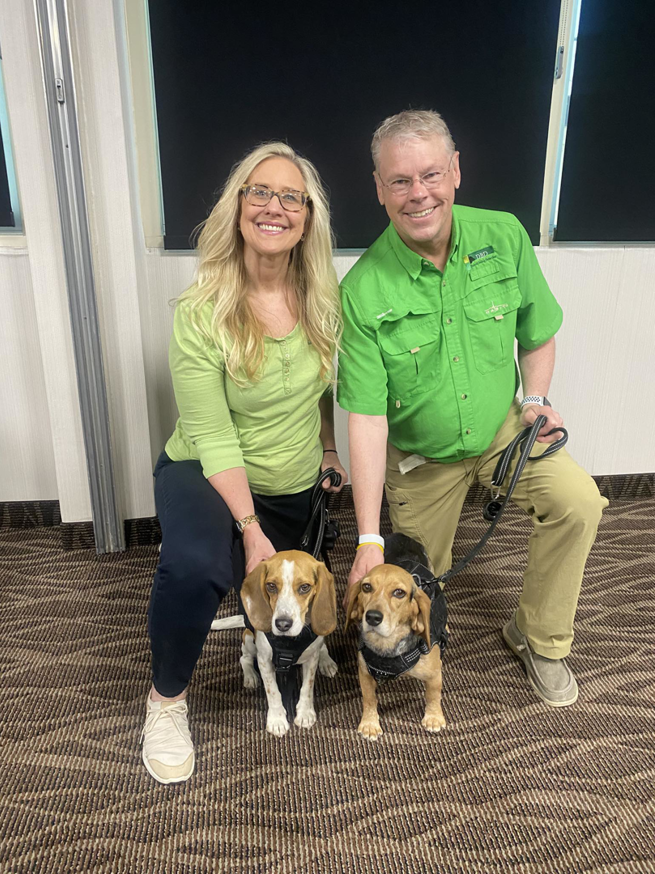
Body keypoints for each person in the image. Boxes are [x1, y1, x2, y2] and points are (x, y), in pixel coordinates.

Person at [337, 110, 607, 708]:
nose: (418, 194)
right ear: (379, 190)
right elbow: (367, 417)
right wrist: (368, 538)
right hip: (422, 460)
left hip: (500, 432)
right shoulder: (361, 291)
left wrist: (535, 401)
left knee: (578, 501)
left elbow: (537, 332)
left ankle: (540, 639)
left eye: (430, 174)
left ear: (455, 171)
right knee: (412, 588)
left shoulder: (503, 235)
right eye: (399, 181)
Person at [141, 142, 347, 784]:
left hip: (292, 473)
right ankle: (165, 704)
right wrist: (251, 532)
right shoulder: (203, 309)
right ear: (237, 208)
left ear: (308, 219)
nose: (274, 207)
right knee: (201, 567)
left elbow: (325, 390)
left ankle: (270, 633)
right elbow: (213, 433)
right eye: (260, 192)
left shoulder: (325, 299)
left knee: (305, 580)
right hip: (207, 468)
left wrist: (331, 447)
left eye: (291, 197)